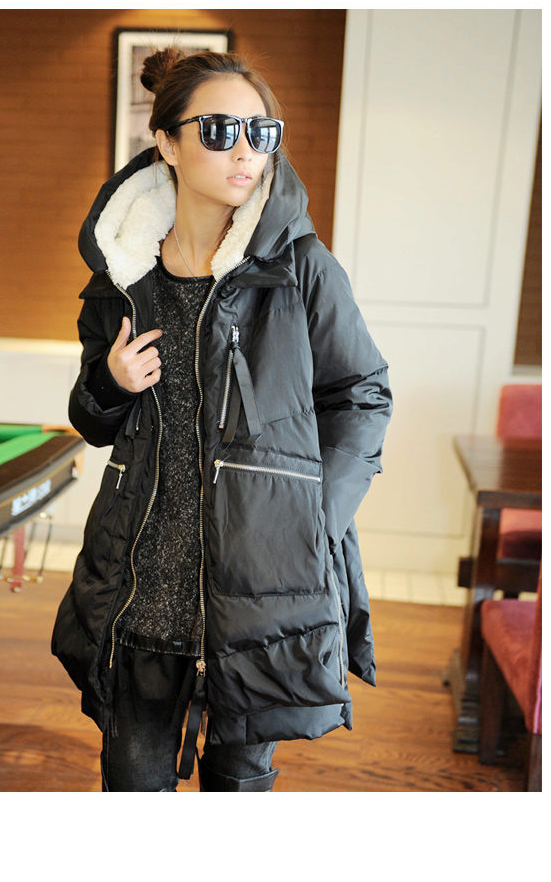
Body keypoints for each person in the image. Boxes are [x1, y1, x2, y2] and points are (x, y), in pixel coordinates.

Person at [52, 47, 393, 792]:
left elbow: (362, 395)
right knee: (132, 782)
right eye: (218, 130)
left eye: (260, 132)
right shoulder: (123, 276)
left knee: (238, 785)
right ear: (168, 143)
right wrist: (110, 383)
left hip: (261, 583)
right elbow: (93, 419)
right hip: (143, 580)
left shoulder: (300, 267)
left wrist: (312, 519)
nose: (244, 151)